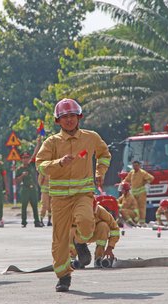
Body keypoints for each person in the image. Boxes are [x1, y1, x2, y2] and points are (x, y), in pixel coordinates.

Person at [36, 98, 111, 292]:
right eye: (64, 117)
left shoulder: (91, 138)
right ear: (57, 121)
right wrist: (59, 163)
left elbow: (104, 154)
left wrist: (99, 173)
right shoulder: (51, 142)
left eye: (72, 116)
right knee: (59, 240)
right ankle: (63, 277)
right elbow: (40, 165)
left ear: (79, 118)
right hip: (59, 199)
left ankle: (80, 242)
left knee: (86, 221)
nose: (69, 120)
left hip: (83, 195)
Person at [122, 160, 154, 226]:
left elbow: (151, 178)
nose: (135, 167)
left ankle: (142, 221)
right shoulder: (131, 172)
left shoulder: (143, 173)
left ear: (139, 166)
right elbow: (126, 179)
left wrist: (146, 183)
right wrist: (122, 183)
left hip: (141, 192)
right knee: (134, 206)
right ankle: (136, 220)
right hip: (133, 193)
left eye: (136, 166)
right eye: (133, 166)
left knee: (141, 207)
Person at [16, 151, 42, 228]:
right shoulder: (19, 169)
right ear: (21, 159)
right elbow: (17, 180)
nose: (25, 159)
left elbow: (35, 154)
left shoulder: (31, 165)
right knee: (24, 206)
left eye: (27, 157)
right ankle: (24, 222)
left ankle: (37, 221)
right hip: (25, 189)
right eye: (24, 158)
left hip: (33, 189)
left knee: (35, 206)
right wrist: (22, 176)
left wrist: (38, 143)